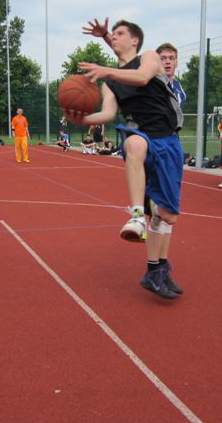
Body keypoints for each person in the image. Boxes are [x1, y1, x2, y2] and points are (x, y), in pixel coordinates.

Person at [67, 19, 185, 300]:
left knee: (167, 215)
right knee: (132, 142)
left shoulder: (149, 57)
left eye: (121, 34)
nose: (115, 38)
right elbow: (108, 114)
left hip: (168, 140)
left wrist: (106, 56)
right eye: (114, 34)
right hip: (142, 138)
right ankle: (135, 215)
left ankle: (156, 270)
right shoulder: (111, 83)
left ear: (135, 40)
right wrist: (82, 118)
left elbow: (141, 77)